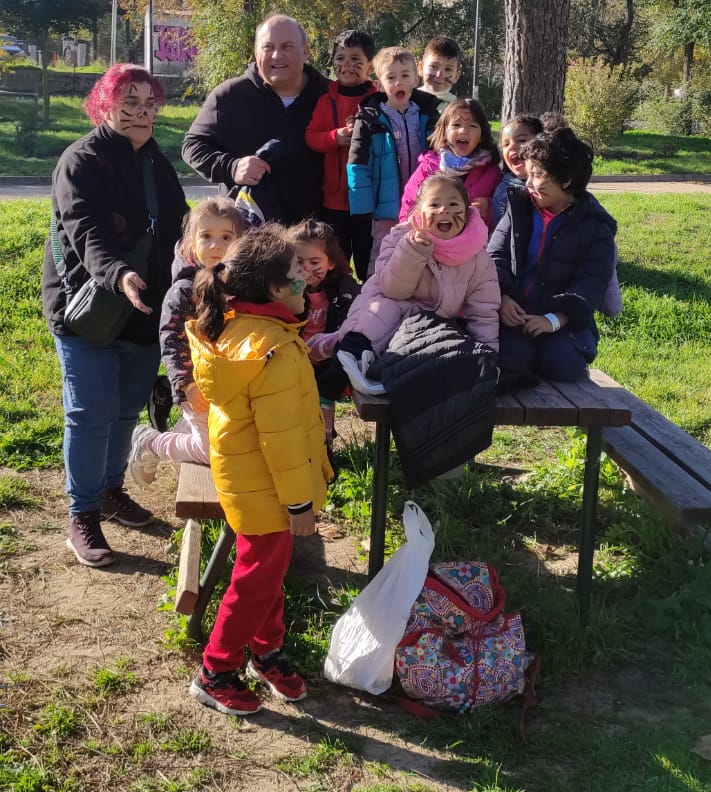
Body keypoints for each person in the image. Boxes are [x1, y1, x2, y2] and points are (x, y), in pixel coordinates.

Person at [42, 65, 187, 568]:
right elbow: (85, 230)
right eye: (130, 102)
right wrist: (120, 274)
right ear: (105, 105)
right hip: (91, 311)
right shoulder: (80, 161)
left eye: (150, 104)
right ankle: (82, 513)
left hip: (144, 310)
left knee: (126, 411)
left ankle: (109, 491)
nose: (142, 112)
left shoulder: (155, 160)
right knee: (90, 413)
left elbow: (180, 226)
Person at [186, 227, 332, 716]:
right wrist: (299, 504)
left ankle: (266, 651)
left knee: (266, 574)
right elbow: (281, 441)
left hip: (250, 483)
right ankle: (216, 670)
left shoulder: (243, 328)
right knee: (254, 582)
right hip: (270, 490)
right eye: (298, 274)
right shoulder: (273, 351)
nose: (307, 282)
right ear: (274, 289)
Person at [325, 172, 500, 397]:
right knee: (377, 318)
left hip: (431, 323)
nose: (444, 210)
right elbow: (393, 289)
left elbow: (484, 311)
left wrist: (487, 356)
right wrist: (412, 251)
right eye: (434, 204)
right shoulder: (399, 238)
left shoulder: (477, 257)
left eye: (453, 204)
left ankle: (384, 372)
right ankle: (347, 361)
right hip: (391, 302)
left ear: (466, 213)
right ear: (418, 212)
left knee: (440, 347)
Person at [128, 199, 246, 485]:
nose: (216, 245)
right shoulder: (184, 290)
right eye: (206, 236)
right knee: (213, 450)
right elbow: (171, 339)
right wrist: (185, 384)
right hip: (198, 382)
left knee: (229, 438)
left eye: (226, 237)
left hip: (229, 382)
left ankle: (183, 432)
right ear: (192, 243)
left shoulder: (241, 286)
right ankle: (150, 443)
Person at [487, 126, 617, 383]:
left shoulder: (596, 228)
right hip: (517, 315)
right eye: (528, 174)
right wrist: (503, 297)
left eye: (537, 175)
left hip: (563, 321)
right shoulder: (520, 207)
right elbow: (495, 256)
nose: (528, 183)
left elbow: (592, 282)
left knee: (562, 365)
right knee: (512, 360)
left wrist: (555, 320)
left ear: (566, 180)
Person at [181, 14, 327, 223]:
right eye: (268, 47)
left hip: (315, 233)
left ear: (305, 51)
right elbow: (192, 145)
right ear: (256, 52)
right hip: (245, 230)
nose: (277, 55)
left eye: (287, 46)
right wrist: (232, 167)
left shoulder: (330, 96)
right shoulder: (230, 95)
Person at [346, 46, 438, 275]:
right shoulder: (369, 119)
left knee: (420, 256)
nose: (399, 82)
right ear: (379, 84)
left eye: (405, 75)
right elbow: (358, 167)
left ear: (415, 78)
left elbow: (439, 156)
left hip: (420, 205)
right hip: (385, 208)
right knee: (382, 258)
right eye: (391, 77)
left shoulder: (428, 115)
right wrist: (362, 211)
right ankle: (373, 291)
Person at [304, 28, 376, 279]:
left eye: (356, 59)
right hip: (334, 200)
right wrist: (335, 137)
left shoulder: (379, 100)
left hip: (369, 198)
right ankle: (339, 299)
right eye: (340, 58)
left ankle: (369, 298)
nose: (346, 65)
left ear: (370, 65)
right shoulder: (326, 101)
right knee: (337, 260)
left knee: (369, 258)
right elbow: (311, 137)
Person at [289, 218, 360, 449]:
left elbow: (352, 324)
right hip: (295, 359)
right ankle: (297, 446)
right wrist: (294, 289)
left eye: (314, 262)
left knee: (322, 405)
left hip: (329, 364)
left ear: (330, 263)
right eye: (299, 262)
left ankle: (324, 446)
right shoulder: (288, 288)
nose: (306, 268)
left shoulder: (344, 288)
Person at [399, 97, 502, 226]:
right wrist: (414, 230)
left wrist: (489, 208)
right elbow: (408, 204)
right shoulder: (429, 167)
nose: (463, 131)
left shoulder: (491, 172)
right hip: (430, 237)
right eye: (456, 125)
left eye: (472, 126)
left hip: (475, 238)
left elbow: (503, 211)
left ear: (482, 136)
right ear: (444, 132)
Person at [490, 114, 543, 231]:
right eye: (506, 144)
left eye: (522, 140)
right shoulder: (503, 189)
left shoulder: (552, 187)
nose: (512, 146)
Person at [418, 36, 463, 107]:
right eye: (434, 66)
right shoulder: (407, 101)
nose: (439, 75)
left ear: (456, 76)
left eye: (448, 69)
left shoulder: (457, 109)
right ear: (421, 68)